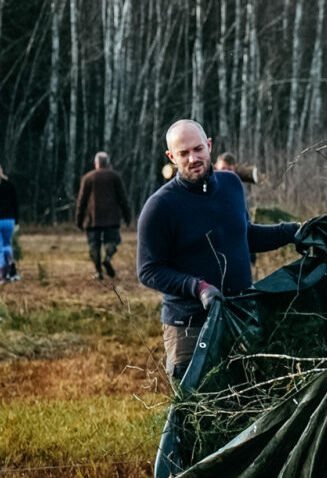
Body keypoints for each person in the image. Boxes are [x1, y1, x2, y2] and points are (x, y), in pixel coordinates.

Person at [137, 120, 300, 380]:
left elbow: (244, 236)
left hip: (240, 316)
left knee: (247, 398)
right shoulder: (160, 207)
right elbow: (148, 270)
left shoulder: (232, 185)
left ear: (209, 146)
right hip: (189, 327)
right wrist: (198, 287)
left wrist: (293, 232)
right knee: (196, 411)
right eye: (183, 153)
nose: (193, 158)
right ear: (171, 156)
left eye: (198, 149)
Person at [76, 151, 134, 279]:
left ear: (96, 163)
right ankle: (107, 259)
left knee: (93, 246)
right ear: (107, 163)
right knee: (112, 241)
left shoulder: (88, 177)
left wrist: (79, 220)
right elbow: (123, 198)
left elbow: (81, 201)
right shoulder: (115, 176)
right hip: (111, 219)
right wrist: (127, 217)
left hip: (92, 219)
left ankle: (98, 272)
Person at [0, 164, 17, 282]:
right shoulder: (9, 185)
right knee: (7, 245)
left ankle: (2, 274)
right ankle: (11, 271)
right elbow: (15, 203)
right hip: (9, 219)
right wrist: (17, 220)